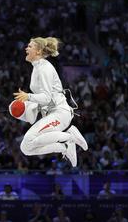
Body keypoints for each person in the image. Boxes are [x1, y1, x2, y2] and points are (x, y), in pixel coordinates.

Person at [12, 37, 88, 167]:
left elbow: (46, 98)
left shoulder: (44, 68)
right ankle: (64, 144)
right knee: (26, 148)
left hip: (60, 113)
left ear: (38, 51)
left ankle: (68, 138)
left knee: (28, 142)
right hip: (52, 116)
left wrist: (28, 97)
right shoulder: (36, 68)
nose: (26, 48)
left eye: (30, 46)